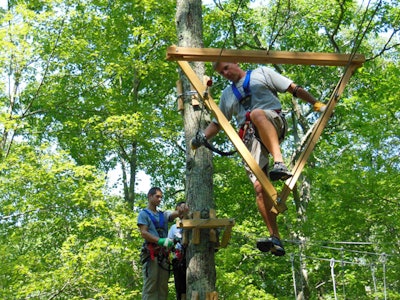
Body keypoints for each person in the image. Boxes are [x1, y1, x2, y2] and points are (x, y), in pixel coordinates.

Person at [191, 62, 325, 256]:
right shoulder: (227, 95)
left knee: (257, 113)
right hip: (249, 137)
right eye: (221, 72)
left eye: (227, 68)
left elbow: (292, 88)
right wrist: (202, 137)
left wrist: (315, 103)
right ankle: (275, 237)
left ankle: (279, 162)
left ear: (236, 63)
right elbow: (218, 123)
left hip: (272, 120)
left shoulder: (262, 73)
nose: (225, 73)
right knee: (260, 188)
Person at [138, 187, 189, 300]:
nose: (160, 199)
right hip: (151, 255)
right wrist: (160, 240)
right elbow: (144, 233)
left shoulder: (163, 214)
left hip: (163, 256)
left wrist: (181, 209)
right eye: (157, 196)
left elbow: (175, 213)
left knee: (162, 287)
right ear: (149, 196)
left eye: (161, 197)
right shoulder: (144, 214)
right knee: (151, 286)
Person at [168, 202, 187, 300]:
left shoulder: (193, 224)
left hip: (190, 259)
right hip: (178, 261)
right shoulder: (173, 228)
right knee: (180, 290)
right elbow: (169, 244)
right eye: (180, 209)